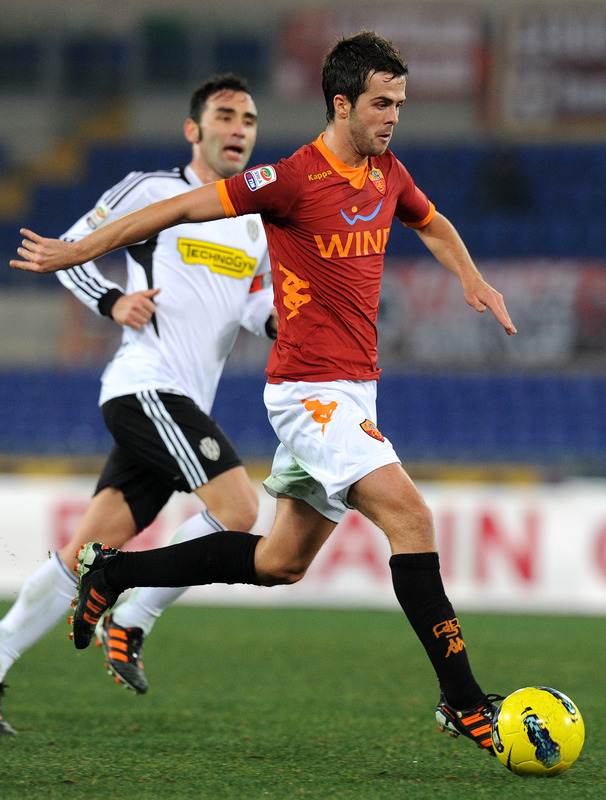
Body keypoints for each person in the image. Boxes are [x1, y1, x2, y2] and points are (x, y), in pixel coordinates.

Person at [11, 31, 517, 754]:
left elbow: (431, 224)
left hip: (356, 393)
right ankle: (463, 701)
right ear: (341, 104)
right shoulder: (288, 180)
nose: (393, 116)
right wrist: (84, 250)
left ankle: (115, 571)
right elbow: (181, 210)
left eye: (400, 103)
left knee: (280, 562)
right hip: (309, 394)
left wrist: (471, 277)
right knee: (411, 517)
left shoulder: (389, 173)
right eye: (381, 103)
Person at [0, 73, 276, 735]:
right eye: (226, 116)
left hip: (176, 401)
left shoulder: (254, 223)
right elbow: (70, 251)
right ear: (194, 129)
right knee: (238, 509)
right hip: (146, 387)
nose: (239, 129)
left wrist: (285, 322)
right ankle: (132, 614)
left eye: (249, 119)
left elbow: (257, 306)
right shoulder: (152, 191)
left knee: (84, 550)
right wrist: (112, 300)